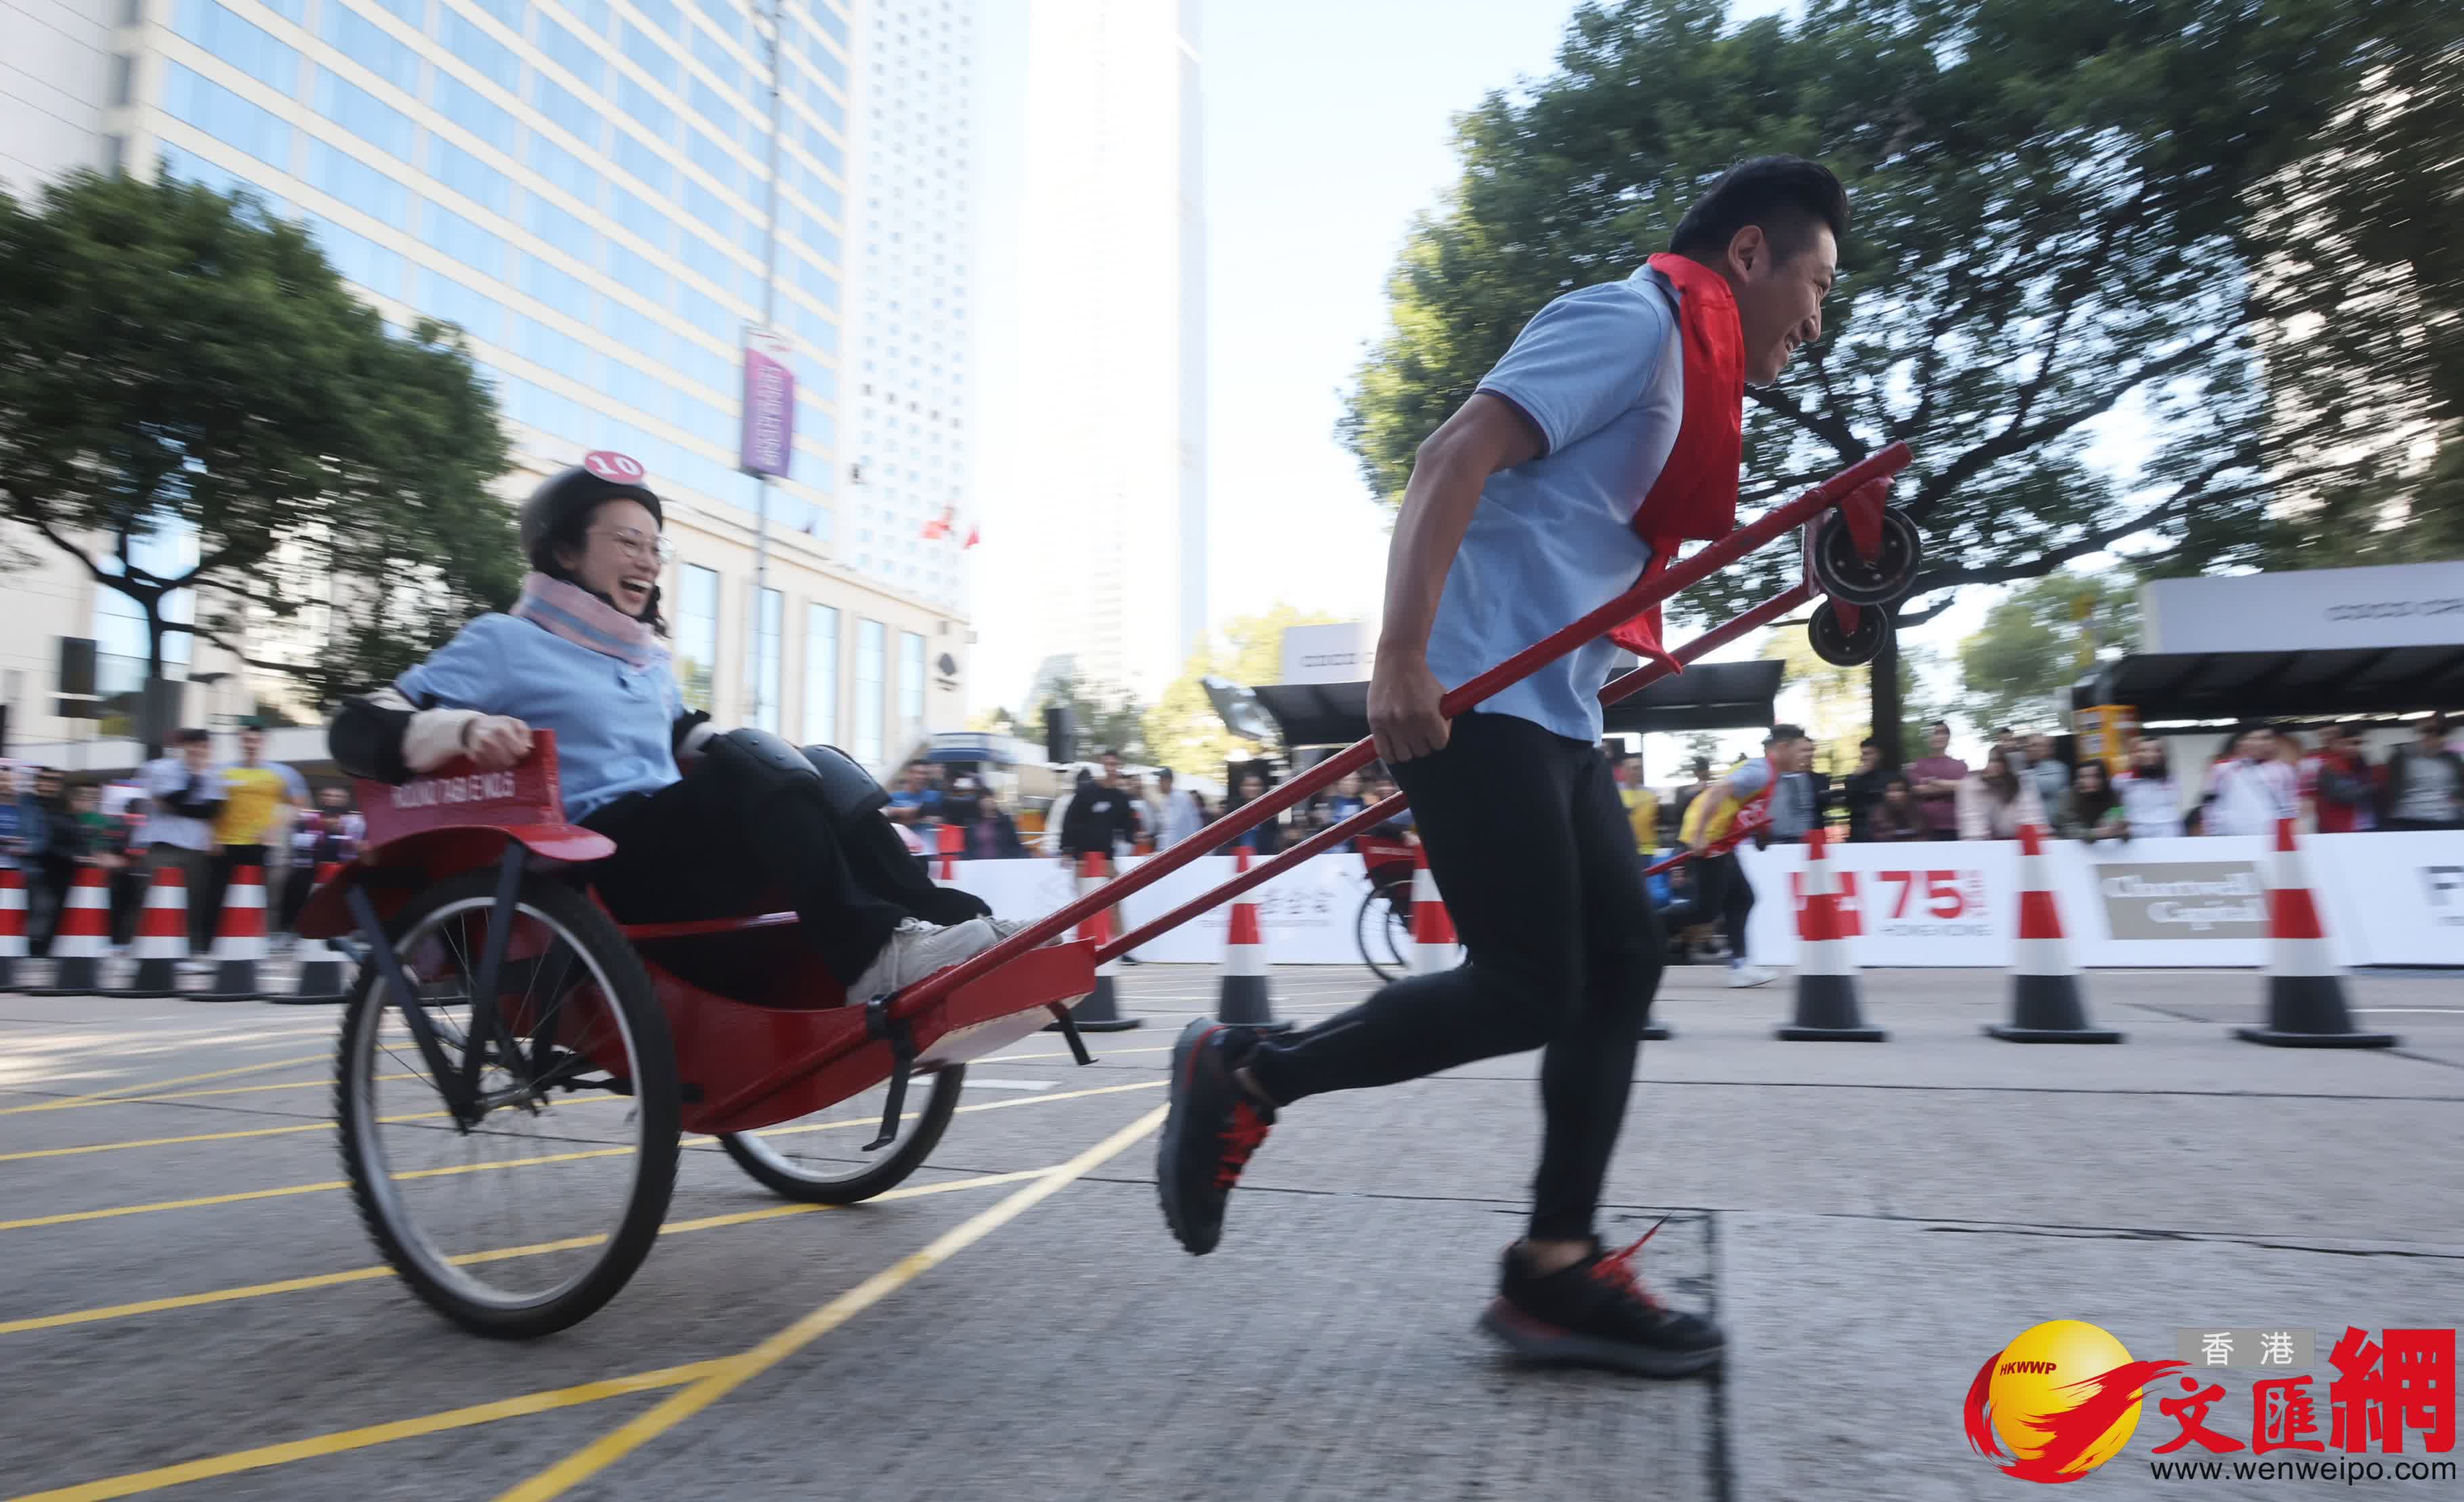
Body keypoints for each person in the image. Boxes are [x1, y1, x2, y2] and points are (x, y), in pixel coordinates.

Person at [1157, 156, 1852, 1376]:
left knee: (1620, 962)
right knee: (1529, 981)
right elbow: (1448, 458)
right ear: (1748, 254)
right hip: (1470, 700)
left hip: (1556, 715)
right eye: (1816, 281)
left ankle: (1554, 1268)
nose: (1816, 317)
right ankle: (1247, 1071)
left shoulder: (1681, 372)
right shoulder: (1629, 324)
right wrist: (1397, 661)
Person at [330, 456, 1020, 1004]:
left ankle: (951, 925)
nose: (646, 561)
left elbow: (689, 734)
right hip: (597, 864)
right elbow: (363, 725)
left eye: (654, 548)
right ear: (566, 554)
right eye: (627, 543)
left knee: (818, 764)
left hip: (678, 848)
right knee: (757, 759)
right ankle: (873, 957)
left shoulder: (645, 659)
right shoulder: (507, 641)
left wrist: (789, 770)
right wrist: (465, 728)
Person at [1682, 727, 1802, 987]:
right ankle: (1641, 922)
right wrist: (1701, 834)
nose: (1804, 756)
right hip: (1711, 835)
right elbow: (1717, 791)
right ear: (1782, 747)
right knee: (1704, 910)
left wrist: (1761, 833)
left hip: (1723, 838)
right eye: (1800, 749)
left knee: (1741, 898)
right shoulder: (1760, 771)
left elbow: (1747, 807)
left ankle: (1740, 967)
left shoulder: (1770, 775)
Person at [209, 725, 307, 937]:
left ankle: (256, 939)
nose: (251, 745)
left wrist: (275, 828)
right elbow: (215, 808)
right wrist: (214, 837)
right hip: (226, 843)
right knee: (220, 895)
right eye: (246, 740)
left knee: (258, 894)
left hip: (258, 844)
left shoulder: (282, 773)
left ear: (263, 742)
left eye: (255, 741)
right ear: (240, 742)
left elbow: (299, 805)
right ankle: (218, 940)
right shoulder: (222, 771)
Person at [139, 729, 225, 950]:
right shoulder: (161, 768)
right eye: (193, 745)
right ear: (183, 747)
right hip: (164, 844)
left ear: (210, 750)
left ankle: (191, 948)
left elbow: (212, 812)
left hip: (197, 846)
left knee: (194, 901)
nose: (198, 751)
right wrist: (194, 780)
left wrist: (176, 806)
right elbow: (174, 801)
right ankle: (146, 947)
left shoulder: (217, 775)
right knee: (156, 896)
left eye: (203, 746)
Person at [2203, 724, 2295, 838]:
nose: (2261, 743)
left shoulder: (2284, 771)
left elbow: (2290, 807)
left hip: (2272, 839)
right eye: (2254, 739)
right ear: (2242, 742)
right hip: (2233, 838)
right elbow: (2209, 806)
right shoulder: (2222, 770)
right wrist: (2214, 835)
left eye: (2266, 738)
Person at [2379, 714, 2463, 832]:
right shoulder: (2402, 757)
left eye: (2440, 732)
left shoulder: (2453, 759)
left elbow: (2460, 789)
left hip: (2445, 820)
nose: (2432, 736)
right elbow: (2390, 789)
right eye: (2427, 731)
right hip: (2409, 819)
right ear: (2420, 732)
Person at [2112, 735, 2183, 838]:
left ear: (2162, 754)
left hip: (2168, 829)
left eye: (2156, 750)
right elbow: (2115, 805)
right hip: (2135, 831)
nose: (2149, 755)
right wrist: (2118, 819)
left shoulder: (2171, 779)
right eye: (2143, 750)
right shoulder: (2120, 780)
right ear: (2135, 754)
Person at [1907, 721, 1968, 842]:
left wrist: (1933, 781)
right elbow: (1917, 790)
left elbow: (1964, 787)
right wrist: (1950, 786)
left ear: (1948, 738)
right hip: (1925, 829)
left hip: (1955, 828)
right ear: (1929, 738)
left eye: (1943, 733)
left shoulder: (1960, 765)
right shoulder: (1919, 765)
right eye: (1935, 733)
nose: (1939, 736)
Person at [2058, 760, 2128, 844]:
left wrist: (2118, 827)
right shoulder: (2068, 796)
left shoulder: (2114, 795)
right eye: (2083, 777)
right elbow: (2068, 829)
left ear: (2104, 779)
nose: (2089, 781)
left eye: (2095, 776)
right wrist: (2093, 833)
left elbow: (2119, 814)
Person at [1219, 771, 1284, 857]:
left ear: (1262, 788)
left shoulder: (1270, 810)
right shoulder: (1232, 810)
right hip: (1237, 859)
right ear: (1241, 788)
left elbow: (1277, 837)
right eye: (1248, 785)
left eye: (1256, 785)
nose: (1252, 789)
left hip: (1263, 858)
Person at [1958, 758, 2025, 840]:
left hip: (2016, 838)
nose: (1991, 766)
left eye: (1996, 761)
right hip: (1982, 840)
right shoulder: (1970, 786)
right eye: (1988, 761)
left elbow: (2024, 820)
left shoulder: (2019, 784)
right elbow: (1972, 822)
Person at [1839, 738, 1888, 844]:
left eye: (1869, 753)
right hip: (1859, 833)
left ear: (1879, 755)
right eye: (1863, 754)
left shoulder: (1889, 778)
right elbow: (1847, 804)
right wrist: (1855, 778)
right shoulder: (1853, 778)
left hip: (1882, 833)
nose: (1865, 757)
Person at [1616, 753, 1660, 857]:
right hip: (1622, 849)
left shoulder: (1651, 794)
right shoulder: (1615, 792)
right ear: (1624, 771)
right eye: (1634, 768)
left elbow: (1655, 822)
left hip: (1648, 850)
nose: (1638, 772)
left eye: (1640, 768)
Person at [962, 791, 1026, 859]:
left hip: (1002, 862)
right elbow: (968, 846)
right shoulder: (972, 822)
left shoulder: (1005, 821)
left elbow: (1015, 843)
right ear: (979, 802)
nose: (988, 801)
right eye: (984, 798)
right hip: (978, 863)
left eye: (990, 798)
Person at [1154, 767, 1208, 849]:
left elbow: (1174, 829)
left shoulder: (1179, 798)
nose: (1158, 783)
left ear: (1169, 781)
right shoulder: (1168, 800)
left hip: (1182, 850)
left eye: (1161, 780)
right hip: (1176, 850)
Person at [1868, 775, 1927, 842]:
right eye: (1890, 791)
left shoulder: (1919, 811)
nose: (1895, 795)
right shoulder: (1877, 814)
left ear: (1908, 793)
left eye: (1899, 790)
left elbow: (1925, 837)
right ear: (1884, 794)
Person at [2024, 733, 2069, 808]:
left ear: (2046, 748)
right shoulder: (2026, 769)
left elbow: (2048, 786)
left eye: (2036, 745)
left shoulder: (2058, 768)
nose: (2031, 749)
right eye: (2029, 746)